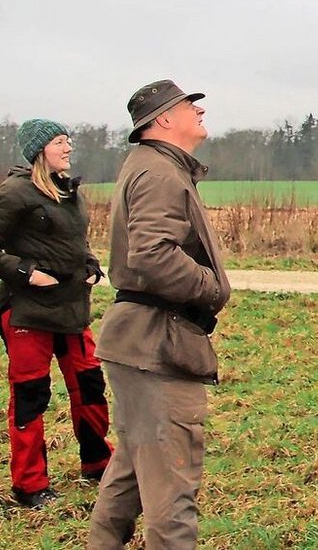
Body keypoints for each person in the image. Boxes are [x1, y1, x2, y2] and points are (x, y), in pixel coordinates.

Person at [88, 80, 230, 550]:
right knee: (171, 495)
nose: (200, 110)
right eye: (191, 105)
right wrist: (212, 289)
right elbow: (152, 255)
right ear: (164, 119)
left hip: (143, 343)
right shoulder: (160, 173)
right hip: (157, 346)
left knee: (129, 475)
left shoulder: (156, 166)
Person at [0, 119, 112, 509]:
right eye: (60, 142)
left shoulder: (69, 191)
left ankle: (99, 462)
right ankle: (30, 486)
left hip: (72, 309)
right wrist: (27, 273)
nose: (68, 148)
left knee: (90, 386)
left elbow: (74, 242)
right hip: (27, 314)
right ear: (39, 150)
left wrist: (90, 263)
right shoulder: (15, 193)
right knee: (32, 397)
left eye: (68, 141)